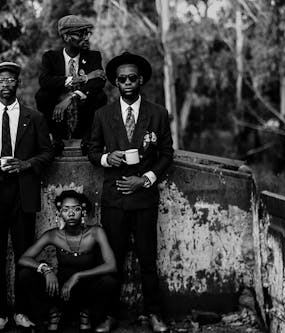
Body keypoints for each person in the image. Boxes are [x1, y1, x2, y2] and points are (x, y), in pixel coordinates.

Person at [87, 52, 174, 332]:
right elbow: (91, 149)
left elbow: (166, 154)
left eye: (132, 78)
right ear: (115, 82)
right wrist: (105, 159)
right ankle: (109, 315)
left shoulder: (158, 114)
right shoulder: (102, 115)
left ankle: (155, 314)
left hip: (145, 198)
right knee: (112, 259)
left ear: (141, 80)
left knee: (148, 260)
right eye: (122, 78)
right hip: (114, 199)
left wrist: (146, 179)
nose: (127, 82)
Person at [0, 61, 54, 331]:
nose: (6, 84)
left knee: (24, 255)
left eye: (11, 80)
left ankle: (22, 312)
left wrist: (26, 164)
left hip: (22, 193)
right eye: (1, 80)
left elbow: (47, 152)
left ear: (18, 83)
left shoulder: (34, 117)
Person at [17, 190, 118, 332]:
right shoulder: (52, 235)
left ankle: (86, 314)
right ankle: (53, 313)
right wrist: (46, 270)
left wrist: (77, 276)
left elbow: (112, 266)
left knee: (109, 281)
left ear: (83, 212)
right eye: (65, 209)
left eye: (76, 209)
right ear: (60, 213)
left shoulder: (96, 232)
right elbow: (23, 259)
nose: (71, 213)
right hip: (61, 292)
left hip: (86, 292)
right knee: (25, 274)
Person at [35, 14, 108, 156]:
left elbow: (99, 81)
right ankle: (56, 140)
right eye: (81, 34)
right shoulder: (50, 57)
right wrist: (82, 78)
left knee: (100, 96)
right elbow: (45, 81)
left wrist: (71, 97)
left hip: (83, 112)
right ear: (66, 37)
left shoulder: (93, 56)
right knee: (42, 95)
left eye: (88, 33)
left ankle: (88, 141)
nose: (86, 38)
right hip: (58, 117)